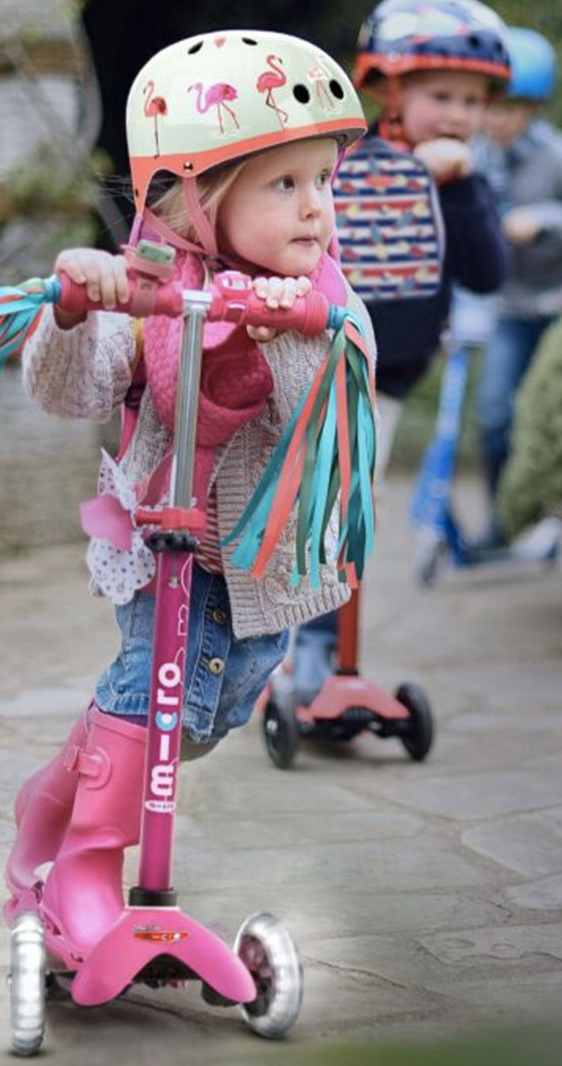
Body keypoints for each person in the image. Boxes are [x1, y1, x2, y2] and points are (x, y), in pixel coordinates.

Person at [2, 29, 376, 961]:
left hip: (261, 563)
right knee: (148, 704)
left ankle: (55, 788)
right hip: (164, 557)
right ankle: (89, 865)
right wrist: (77, 308)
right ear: (200, 197)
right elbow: (70, 391)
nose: (316, 209)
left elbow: (347, 372)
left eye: (323, 183)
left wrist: (295, 327)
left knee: (206, 718)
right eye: (284, 185)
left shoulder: (322, 293)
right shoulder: (157, 289)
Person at [276, 0, 511, 707]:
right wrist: (408, 176)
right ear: (387, 91)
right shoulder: (345, 168)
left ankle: (328, 656)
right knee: (324, 516)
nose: (458, 114)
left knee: (351, 519)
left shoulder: (463, 181)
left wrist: (459, 187)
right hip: (323, 370)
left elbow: (487, 272)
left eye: (472, 100)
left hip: (391, 381)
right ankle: (306, 655)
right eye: (441, 95)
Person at [471, 27, 562, 549]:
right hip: (510, 307)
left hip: (555, 308)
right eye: (488, 107)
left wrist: (543, 218)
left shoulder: (552, 156)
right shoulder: (478, 155)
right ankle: (505, 521)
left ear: (532, 109)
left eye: (507, 109)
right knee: (494, 417)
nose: (494, 121)